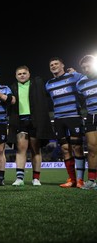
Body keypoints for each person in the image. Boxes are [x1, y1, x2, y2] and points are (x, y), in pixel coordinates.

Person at [8, 65, 54, 186]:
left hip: (35, 120)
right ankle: (19, 178)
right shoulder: (12, 88)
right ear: (16, 76)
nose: (22, 75)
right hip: (20, 121)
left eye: (24, 73)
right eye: (19, 74)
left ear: (29, 74)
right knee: (20, 149)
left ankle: (36, 178)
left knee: (36, 149)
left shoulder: (38, 83)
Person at [45, 57, 85, 188]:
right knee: (65, 148)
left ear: (62, 65)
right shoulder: (49, 84)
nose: (53, 66)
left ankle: (80, 180)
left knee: (77, 147)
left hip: (73, 116)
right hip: (58, 119)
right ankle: (71, 179)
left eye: (56, 64)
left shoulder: (72, 77)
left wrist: (75, 73)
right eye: (51, 64)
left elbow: (86, 79)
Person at [76, 55, 97, 190]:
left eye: (88, 66)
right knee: (91, 148)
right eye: (83, 68)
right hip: (91, 116)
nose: (86, 69)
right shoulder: (81, 84)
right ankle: (91, 180)